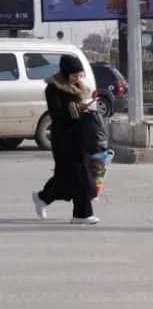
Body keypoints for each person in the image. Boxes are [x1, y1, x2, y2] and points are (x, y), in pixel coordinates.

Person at [32, 55, 99, 225]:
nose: (77, 78)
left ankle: (44, 198)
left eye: (79, 75)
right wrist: (77, 108)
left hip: (79, 135)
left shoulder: (79, 87)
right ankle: (81, 214)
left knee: (70, 176)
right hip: (63, 138)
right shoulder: (54, 88)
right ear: (66, 73)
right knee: (77, 174)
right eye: (74, 75)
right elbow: (57, 113)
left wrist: (87, 107)